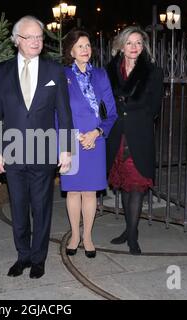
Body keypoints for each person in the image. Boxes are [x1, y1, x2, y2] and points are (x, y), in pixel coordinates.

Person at [0, 16, 73, 279]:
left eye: (40, 36)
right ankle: (22, 256)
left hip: (44, 150)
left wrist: (66, 149)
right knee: (19, 207)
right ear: (16, 41)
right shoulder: (1, 71)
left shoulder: (54, 70)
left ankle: (39, 258)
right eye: (30, 37)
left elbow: (64, 112)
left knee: (41, 207)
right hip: (12, 151)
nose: (37, 41)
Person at [105, 26, 164, 255]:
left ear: (144, 46)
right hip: (117, 136)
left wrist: (133, 115)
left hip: (139, 136)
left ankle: (132, 235)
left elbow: (154, 108)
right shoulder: (109, 71)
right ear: (121, 45)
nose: (134, 47)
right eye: (129, 43)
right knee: (124, 186)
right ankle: (129, 229)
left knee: (137, 186)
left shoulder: (153, 72)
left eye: (139, 43)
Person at [60, 30, 117, 259]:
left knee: (90, 192)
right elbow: (58, 112)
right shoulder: (62, 75)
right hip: (72, 141)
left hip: (96, 141)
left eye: (88, 45)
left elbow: (111, 112)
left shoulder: (101, 75)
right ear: (71, 51)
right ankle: (75, 235)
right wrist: (72, 137)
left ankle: (88, 237)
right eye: (80, 46)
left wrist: (96, 133)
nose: (85, 49)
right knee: (73, 191)